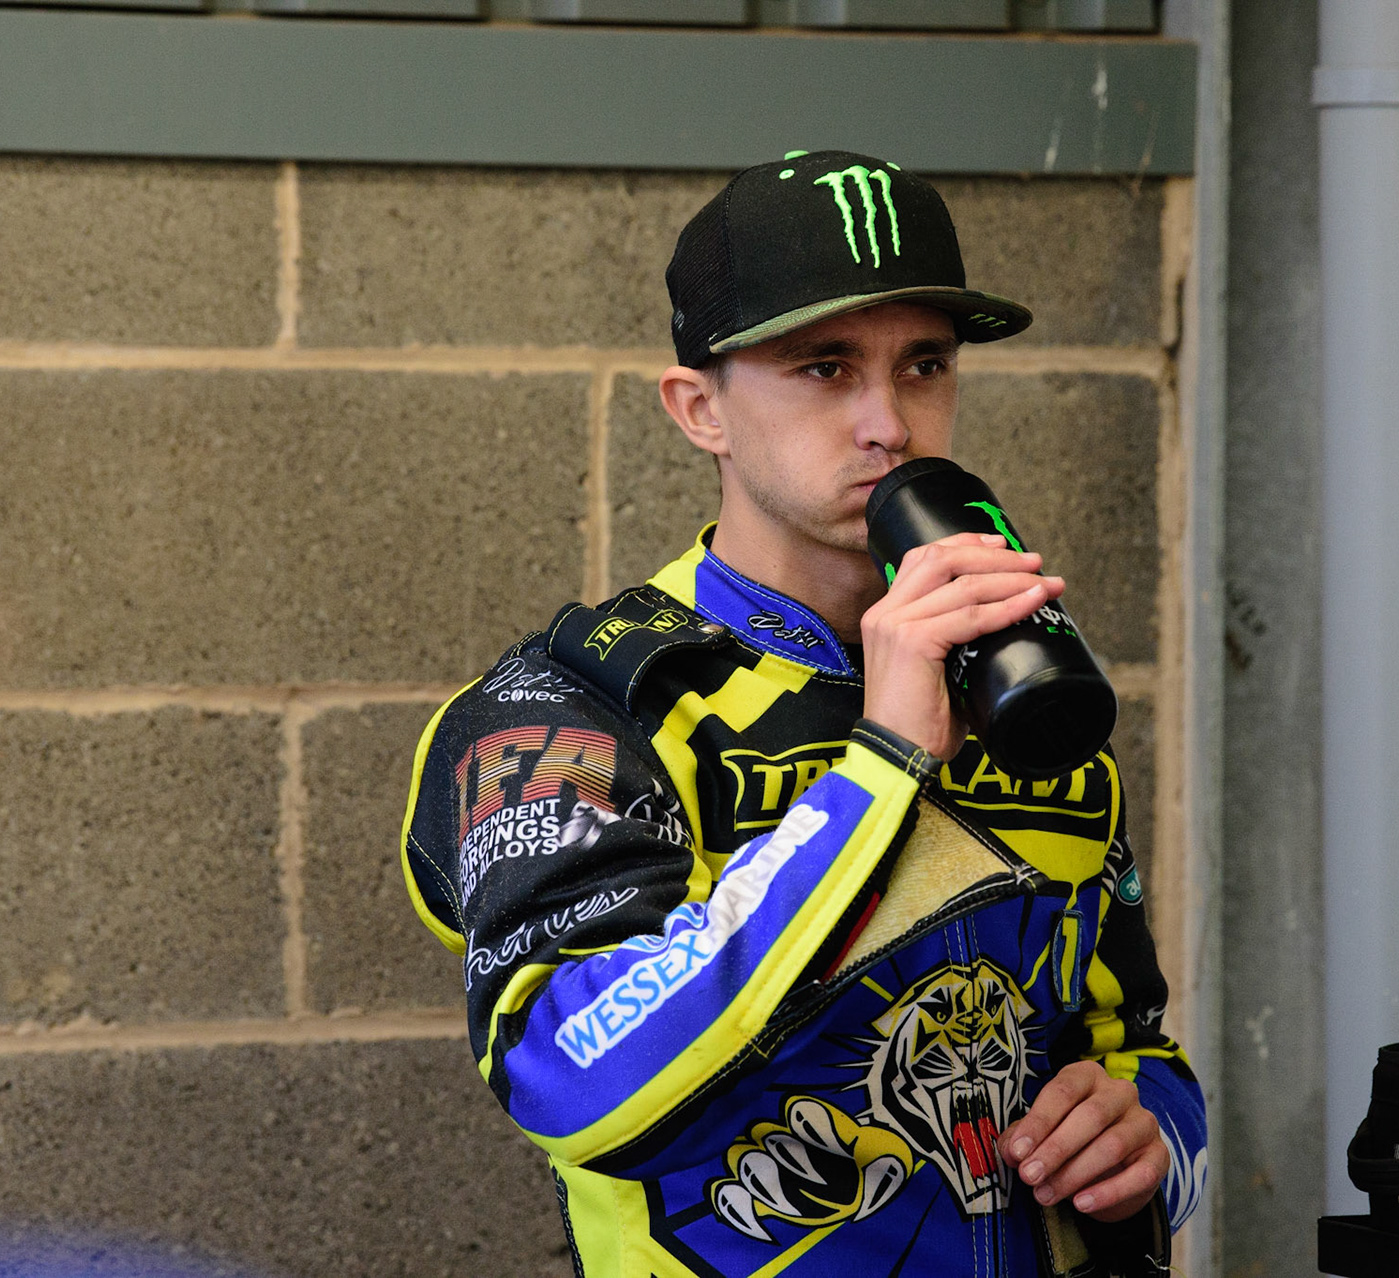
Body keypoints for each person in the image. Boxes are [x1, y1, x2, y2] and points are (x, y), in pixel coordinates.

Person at [400, 150, 1208, 1277]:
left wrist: (1150, 1133)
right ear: (701, 411)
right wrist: (880, 769)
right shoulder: (560, 712)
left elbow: (1133, 1044)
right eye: (824, 368)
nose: (889, 422)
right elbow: (569, 1083)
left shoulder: (1019, 678)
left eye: (924, 364)